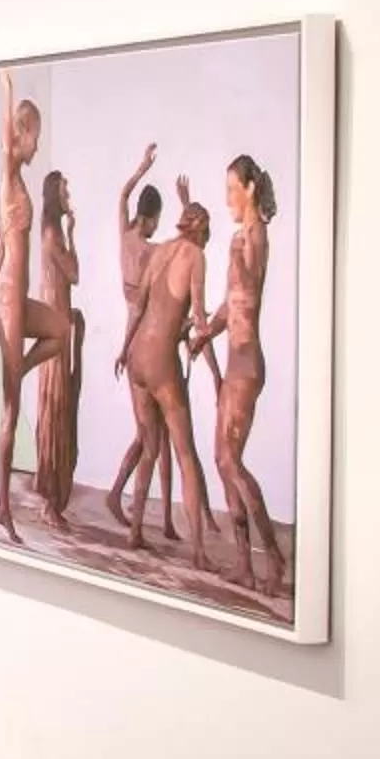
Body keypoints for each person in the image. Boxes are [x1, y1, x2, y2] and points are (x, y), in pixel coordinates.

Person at [0, 73, 75, 544]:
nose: (38, 147)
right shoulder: (10, 173)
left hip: (8, 298)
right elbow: (4, 145)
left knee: (60, 330)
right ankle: (1, 504)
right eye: (36, 136)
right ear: (27, 132)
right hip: (10, 303)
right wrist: (7, 93)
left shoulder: (14, 191)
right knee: (11, 408)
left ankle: (22, 369)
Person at [199, 155, 287, 592]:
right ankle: (245, 566)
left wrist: (238, 249)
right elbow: (228, 305)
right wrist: (202, 336)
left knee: (231, 461)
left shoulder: (255, 236)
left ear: (249, 189)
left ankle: (273, 557)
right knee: (221, 461)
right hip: (234, 359)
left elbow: (249, 280)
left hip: (247, 363)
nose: (227, 198)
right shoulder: (240, 238)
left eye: (233, 189)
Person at [121, 198, 222, 575]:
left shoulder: (160, 250)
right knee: (186, 454)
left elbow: (139, 305)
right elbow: (198, 317)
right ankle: (198, 550)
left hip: (136, 356)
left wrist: (122, 348)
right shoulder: (195, 257)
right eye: (207, 231)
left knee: (149, 447)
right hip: (162, 359)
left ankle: (134, 530)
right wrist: (209, 356)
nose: (208, 238)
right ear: (199, 227)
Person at [105, 145, 177, 543]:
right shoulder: (149, 251)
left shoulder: (124, 236)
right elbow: (139, 311)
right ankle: (122, 500)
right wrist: (122, 346)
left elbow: (121, 197)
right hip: (139, 344)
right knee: (151, 437)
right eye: (156, 222)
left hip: (132, 344)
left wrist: (141, 168)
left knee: (145, 433)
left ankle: (117, 494)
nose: (154, 228)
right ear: (150, 218)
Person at [31, 169, 84, 523]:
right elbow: (74, 274)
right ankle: (51, 501)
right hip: (56, 327)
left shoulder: (49, 233)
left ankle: (50, 493)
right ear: (55, 196)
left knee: (55, 407)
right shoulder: (53, 233)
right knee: (55, 409)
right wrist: (71, 233)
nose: (69, 196)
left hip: (58, 322)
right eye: (65, 191)